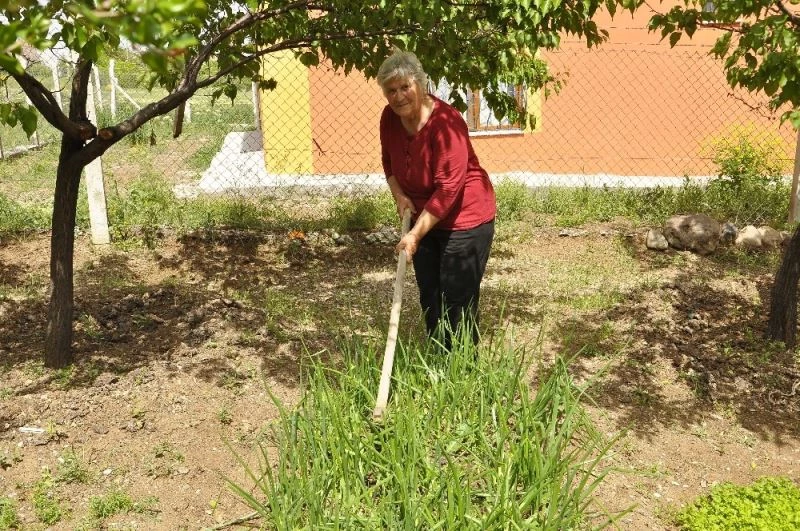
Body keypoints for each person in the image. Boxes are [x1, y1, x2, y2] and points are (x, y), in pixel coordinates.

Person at [377, 50, 496, 349]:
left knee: (457, 297)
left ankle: (464, 366)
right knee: (430, 293)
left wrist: (414, 234)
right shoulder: (389, 118)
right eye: (391, 90)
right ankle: (439, 356)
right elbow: (388, 163)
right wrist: (400, 196)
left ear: (421, 83)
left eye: (405, 87)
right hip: (422, 214)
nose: (399, 96)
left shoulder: (446, 123)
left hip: (464, 217)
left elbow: (448, 189)